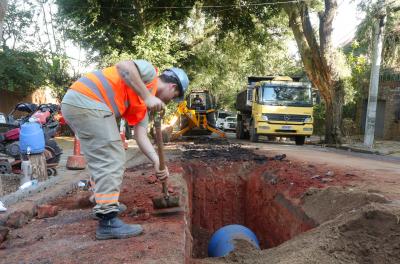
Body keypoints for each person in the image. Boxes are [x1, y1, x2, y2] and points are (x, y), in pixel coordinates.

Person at [61, 60, 189, 240]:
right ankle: (108, 220)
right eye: (174, 96)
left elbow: (141, 135)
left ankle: (105, 203)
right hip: (87, 99)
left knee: (104, 156)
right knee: (112, 155)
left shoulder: (143, 106)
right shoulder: (149, 73)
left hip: (81, 103)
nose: (170, 101)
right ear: (172, 86)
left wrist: (157, 161)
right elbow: (124, 67)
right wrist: (147, 96)